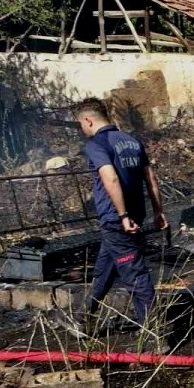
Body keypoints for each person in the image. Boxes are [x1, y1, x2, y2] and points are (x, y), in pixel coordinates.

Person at [69, 98, 168, 332]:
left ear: (88, 120)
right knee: (106, 266)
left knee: (133, 271)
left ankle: (154, 333)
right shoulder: (131, 141)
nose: (82, 129)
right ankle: (83, 316)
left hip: (118, 220)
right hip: (135, 216)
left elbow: (110, 178)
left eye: (81, 124)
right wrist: (158, 210)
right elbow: (151, 179)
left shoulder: (97, 144)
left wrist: (122, 215)